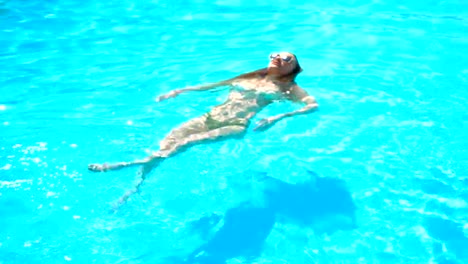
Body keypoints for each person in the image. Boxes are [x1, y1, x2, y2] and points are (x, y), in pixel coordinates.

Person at [88, 52, 319, 207]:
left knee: (183, 144)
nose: (277, 57)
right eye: (274, 54)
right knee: (165, 145)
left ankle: (124, 165)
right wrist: (181, 91)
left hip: (235, 125)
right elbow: (214, 86)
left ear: (294, 67)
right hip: (208, 117)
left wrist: (278, 117)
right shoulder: (250, 77)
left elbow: (312, 105)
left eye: (285, 58)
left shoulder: (290, 88)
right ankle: (134, 188)